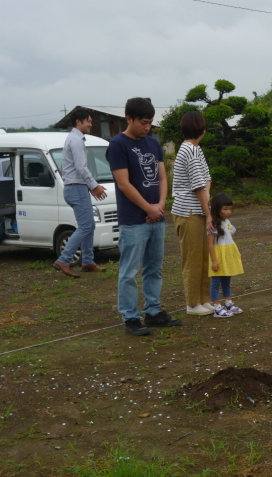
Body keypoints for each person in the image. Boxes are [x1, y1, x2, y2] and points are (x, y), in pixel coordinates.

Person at [106, 97, 181, 336]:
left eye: (150, 122)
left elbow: (162, 177)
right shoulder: (118, 145)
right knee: (129, 271)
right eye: (143, 122)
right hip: (133, 220)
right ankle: (130, 317)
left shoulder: (153, 143)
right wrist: (148, 208)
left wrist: (159, 205)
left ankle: (153, 311)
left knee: (154, 268)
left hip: (155, 218)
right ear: (129, 119)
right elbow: (123, 184)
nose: (147, 127)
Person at [53, 108, 107, 278]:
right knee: (86, 226)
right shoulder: (75, 140)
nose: (91, 124)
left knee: (88, 225)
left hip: (76, 187)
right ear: (79, 122)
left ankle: (88, 261)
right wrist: (94, 186)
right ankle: (64, 259)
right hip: (76, 187)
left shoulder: (74, 139)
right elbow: (81, 167)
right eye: (88, 121)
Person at [171, 111, 215, 316]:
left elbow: (206, 177)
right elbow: (198, 186)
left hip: (198, 209)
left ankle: (203, 299)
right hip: (188, 212)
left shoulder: (196, 150)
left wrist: (206, 206)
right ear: (201, 129)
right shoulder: (188, 150)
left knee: (204, 257)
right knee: (192, 258)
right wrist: (209, 214)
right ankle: (192, 304)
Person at [208, 193, 244, 318]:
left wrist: (235, 254)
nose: (228, 212)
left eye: (230, 209)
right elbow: (211, 244)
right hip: (218, 256)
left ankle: (228, 303)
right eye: (225, 209)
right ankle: (217, 307)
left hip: (228, 255)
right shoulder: (212, 224)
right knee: (215, 282)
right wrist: (214, 260)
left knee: (227, 281)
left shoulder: (227, 222)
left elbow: (230, 238)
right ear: (217, 209)